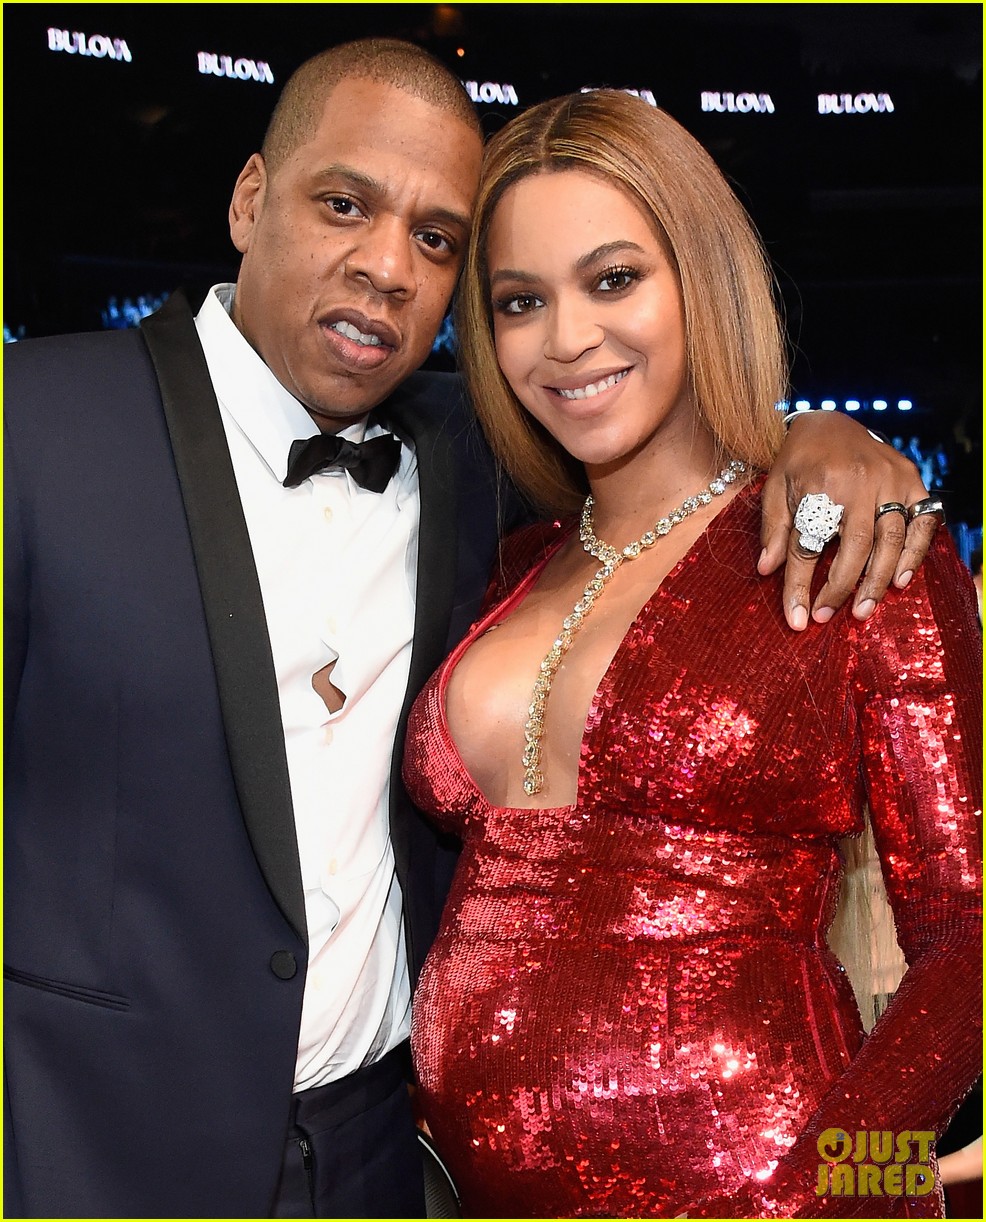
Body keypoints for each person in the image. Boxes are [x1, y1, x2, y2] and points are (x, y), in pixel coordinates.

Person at [2, 38, 936, 1219]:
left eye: (438, 239)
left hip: (389, 1171)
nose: (388, 266)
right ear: (248, 200)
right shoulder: (32, 428)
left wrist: (823, 437)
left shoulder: (473, 470)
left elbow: (960, 937)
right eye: (344, 204)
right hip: (92, 1160)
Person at [405, 89, 983, 1218]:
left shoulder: (855, 549)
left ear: (700, 278)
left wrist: (834, 1186)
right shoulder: (504, 562)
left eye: (613, 278)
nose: (566, 339)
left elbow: (968, 939)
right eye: (521, 300)